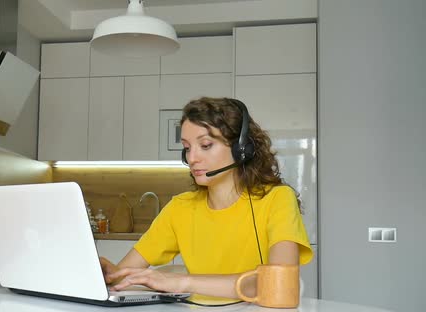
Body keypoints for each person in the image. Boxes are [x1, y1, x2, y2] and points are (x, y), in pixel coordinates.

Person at [101, 97, 313, 299]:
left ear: (241, 149)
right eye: (187, 148)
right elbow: (123, 275)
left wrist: (183, 282)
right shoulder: (180, 208)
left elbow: (281, 287)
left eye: (205, 145)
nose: (192, 158)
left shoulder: (277, 199)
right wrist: (109, 274)